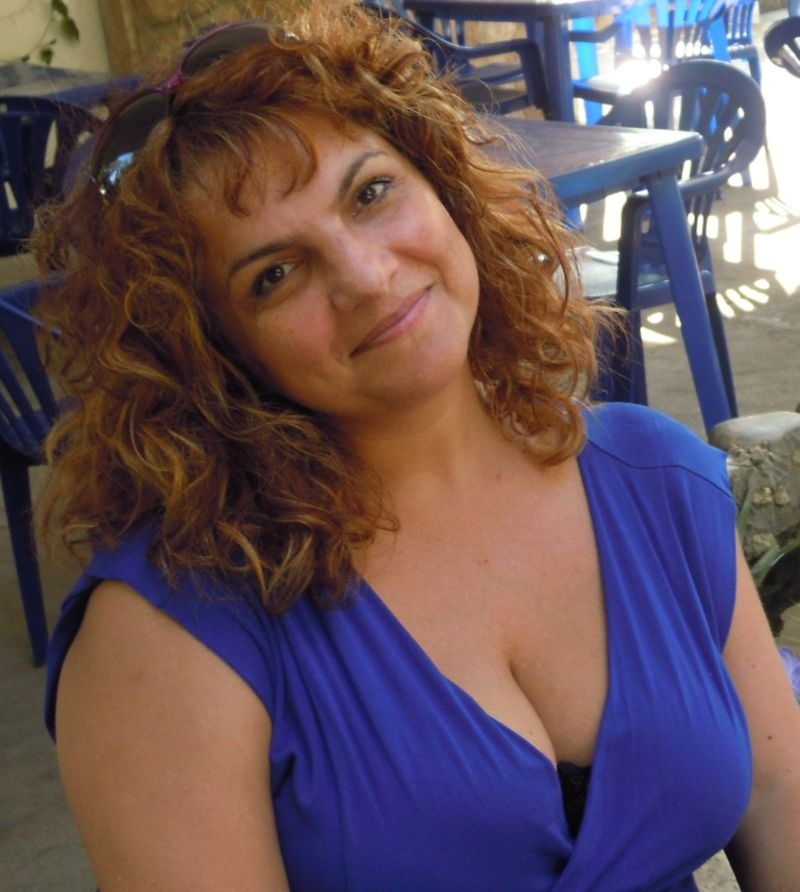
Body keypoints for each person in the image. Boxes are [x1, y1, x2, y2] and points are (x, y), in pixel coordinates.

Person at [36, 3, 800, 890]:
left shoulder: (656, 481)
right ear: (208, 350)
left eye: (370, 193)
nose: (366, 277)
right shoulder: (165, 640)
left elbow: (778, 794)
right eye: (275, 274)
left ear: (443, 184)